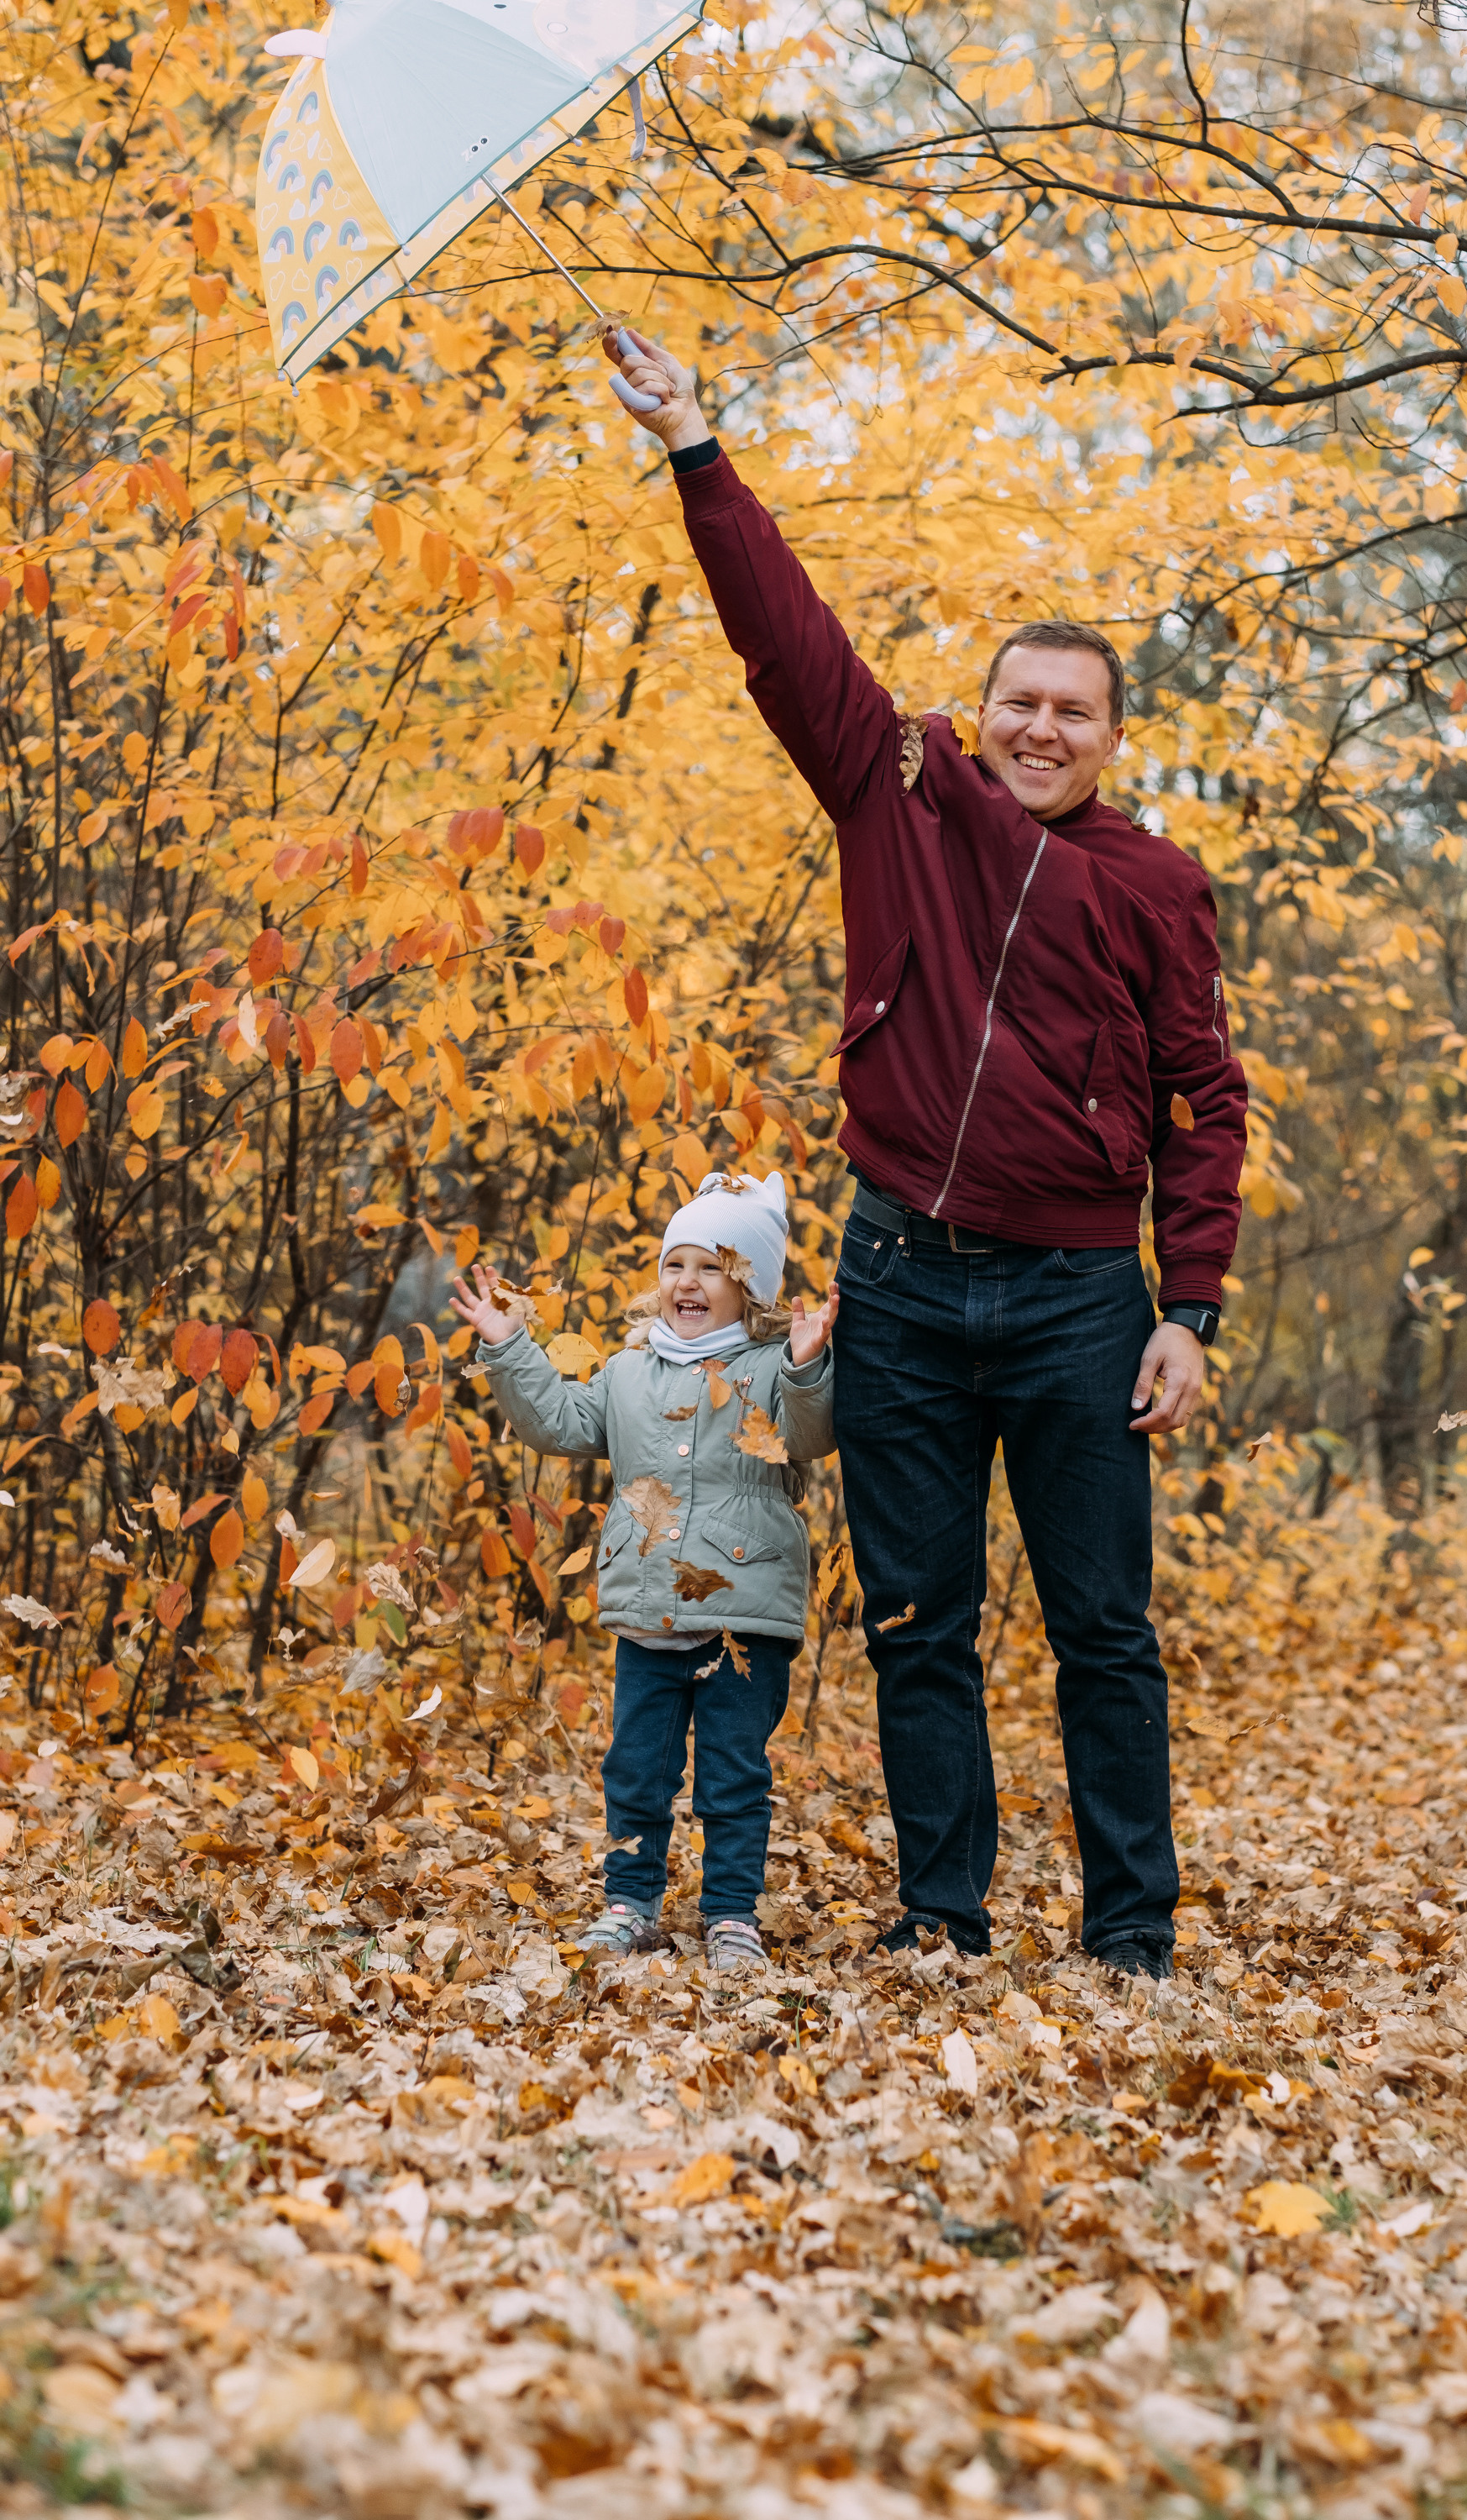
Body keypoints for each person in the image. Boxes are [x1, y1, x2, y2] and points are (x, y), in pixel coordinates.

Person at [603, 329, 1249, 1982]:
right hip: (896, 1280)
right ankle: (942, 1922)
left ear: (1111, 735)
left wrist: (1192, 1310)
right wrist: (693, 441)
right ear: (987, 710)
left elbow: (1203, 1099)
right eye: (1019, 704)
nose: (1041, 731)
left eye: (1075, 714)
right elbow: (781, 632)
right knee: (919, 1628)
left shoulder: (1154, 884)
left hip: (1077, 1305)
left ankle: (1129, 1938)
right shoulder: (900, 788)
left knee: (1103, 1633)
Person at [449, 1169, 838, 1974]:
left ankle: (731, 1915)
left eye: (710, 1267)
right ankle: (630, 1903)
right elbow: (557, 1422)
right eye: (674, 1265)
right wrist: (506, 1345)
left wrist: (806, 1365)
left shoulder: (769, 1368)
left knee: (733, 1775)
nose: (687, 1282)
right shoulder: (626, 1375)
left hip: (744, 1614)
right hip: (649, 1610)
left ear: (749, 1286)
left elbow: (809, 1437)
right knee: (636, 1769)